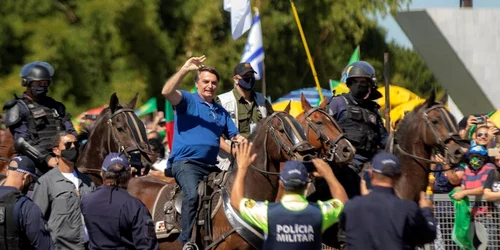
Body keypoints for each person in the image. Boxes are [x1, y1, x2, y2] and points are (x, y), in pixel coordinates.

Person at [160, 55, 244, 246]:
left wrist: (248, 145)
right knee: (192, 195)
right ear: (197, 84)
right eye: (205, 81)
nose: (210, 86)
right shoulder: (187, 100)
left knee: (230, 193)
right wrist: (185, 69)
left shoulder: (221, 112)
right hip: (186, 164)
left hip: (211, 166)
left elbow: (236, 137)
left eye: (214, 83)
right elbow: (166, 91)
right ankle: (187, 242)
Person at [230, 141, 348, 250]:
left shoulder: (266, 212)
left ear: (281, 183)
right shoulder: (320, 213)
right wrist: (329, 174)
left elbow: (236, 201)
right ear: (307, 184)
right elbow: (343, 202)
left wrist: (242, 168)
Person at [339, 152, 436, 249]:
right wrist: (426, 210)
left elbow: (344, 225)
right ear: (399, 176)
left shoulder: (352, 206)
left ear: (371, 174)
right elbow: (428, 235)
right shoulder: (408, 209)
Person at [3, 61, 76, 174]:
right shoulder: (18, 107)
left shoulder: (56, 106)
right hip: (33, 163)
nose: (42, 86)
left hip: (63, 159)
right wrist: (47, 159)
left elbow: (71, 132)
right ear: (27, 83)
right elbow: (22, 141)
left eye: (45, 83)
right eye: (38, 83)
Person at [327, 61, 388, 197]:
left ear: (370, 86)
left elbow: (383, 138)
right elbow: (324, 130)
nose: (359, 84)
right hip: (345, 163)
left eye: (363, 81)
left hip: (371, 163)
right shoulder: (338, 103)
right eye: (355, 81)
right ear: (349, 83)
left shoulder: (373, 109)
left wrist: (396, 141)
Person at [81, 153, 158, 249]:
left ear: (102, 174)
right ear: (129, 175)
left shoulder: (86, 200)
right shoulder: (134, 206)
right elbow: (147, 245)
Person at [32, 131, 95, 249]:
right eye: (68, 144)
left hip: (88, 245)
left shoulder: (87, 181)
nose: (73, 147)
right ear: (56, 150)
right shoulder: (46, 182)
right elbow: (37, 220)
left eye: (75, 144)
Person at [0, 156, 53, 249]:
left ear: (8, 172)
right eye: (31, 180)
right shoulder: (26, 207)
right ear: (26, 177)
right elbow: (44, 246)